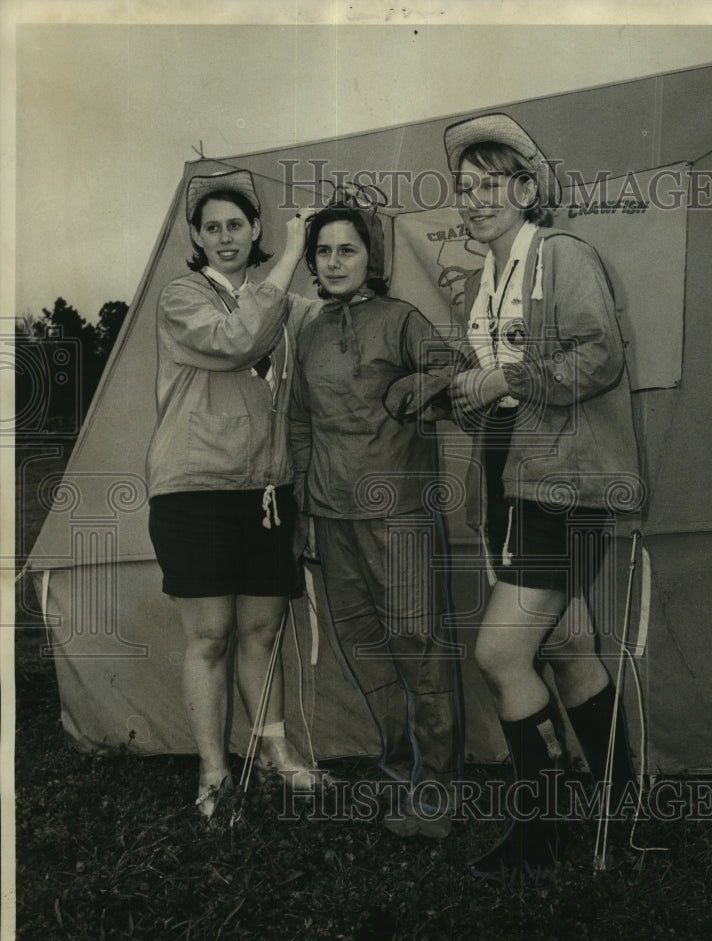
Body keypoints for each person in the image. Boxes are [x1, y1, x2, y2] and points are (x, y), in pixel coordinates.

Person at [442, 114, 643, 883]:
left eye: (491, 185)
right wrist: (471, 391)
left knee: (500, 651)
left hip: (564, 482)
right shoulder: (490, 276)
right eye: (465, 188)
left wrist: (508, 379)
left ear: (528, 191)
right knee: (564, 645)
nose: (474, 199)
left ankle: (544, 825)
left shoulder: (561, 256)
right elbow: (506, 388)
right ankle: (622, 814)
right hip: (511, 475)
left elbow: (599, 356)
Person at [145, 169, 320, 822]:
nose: (225, 237)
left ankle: (272, 751)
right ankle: (215, 772)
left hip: (265, 494)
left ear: (255, 231)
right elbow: (240, 337)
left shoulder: (279, 302)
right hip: (194, 492)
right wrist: (292, 259)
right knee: (211, 636)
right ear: (196, 235)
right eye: (212, 227)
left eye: (237, 226)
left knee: (261, 629)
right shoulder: (182, 297)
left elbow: (308, 345)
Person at [289, 197, 464, 839]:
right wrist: (305, 512)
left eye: (348, 250)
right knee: (364, 648)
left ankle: (437, 793)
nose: (334, 262)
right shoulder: (307, 332)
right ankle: (400, 774)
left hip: (402, 513)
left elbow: (456, 370)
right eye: (324, 251)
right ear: (312, 262)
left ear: (372, 258)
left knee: (418, 646)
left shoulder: (401, 319)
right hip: (331, 518)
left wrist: (411, 390)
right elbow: (300, 424)